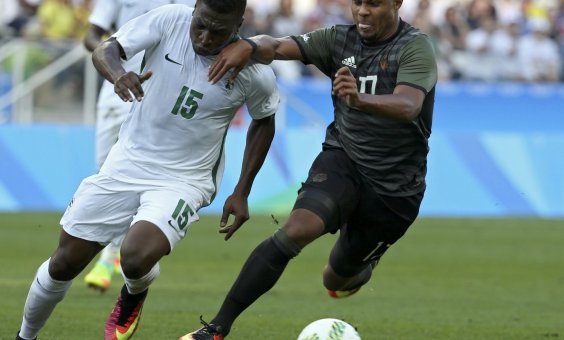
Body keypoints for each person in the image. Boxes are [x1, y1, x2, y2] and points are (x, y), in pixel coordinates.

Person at [14, 1, 279, 339]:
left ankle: (134, 293)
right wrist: (118, 74)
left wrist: (242, 190)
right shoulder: (169, 20)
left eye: (219, 31)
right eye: (201, 24)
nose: (206, 37)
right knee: (64, 262)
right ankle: (25, 336)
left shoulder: (253, 70)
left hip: (185, 179)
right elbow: (105, 49)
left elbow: (264, 120)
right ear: (194, 8)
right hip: (128, 160)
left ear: (238, 24)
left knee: (136, 256)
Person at [181, 0, 438, 338]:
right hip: (343, 161)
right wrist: (247, 45)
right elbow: (278, 46)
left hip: (394, 189)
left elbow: (409, 105)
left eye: (373, 4)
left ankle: (361, 267)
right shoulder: (337, 40)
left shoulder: (415, 47)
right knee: (296, 230)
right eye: (357, 2)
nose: (362, 11)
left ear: (396, 4)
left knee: (336, 277)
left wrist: (359, 99)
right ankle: (215, 328)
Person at [81, 0, 196, 294]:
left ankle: (110, 258)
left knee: (153, 179)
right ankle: (116, 252)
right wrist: (117, 64)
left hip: (164, 95)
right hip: (118, 89)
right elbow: (92, 35)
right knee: (108, 175)